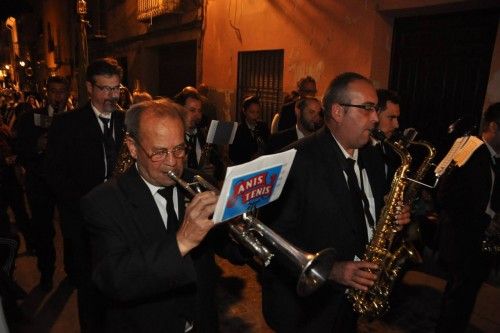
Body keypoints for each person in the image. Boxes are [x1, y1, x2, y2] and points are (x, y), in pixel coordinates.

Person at [261, 72, 410, 332]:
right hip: (308, 308)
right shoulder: (293, 161)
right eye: (367, 109)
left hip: (350, 303)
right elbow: (272, 240)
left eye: (375, 109)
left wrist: (393, 220)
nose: (375, 118)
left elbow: (368, 214)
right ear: (338, 112)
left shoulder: (373, 157)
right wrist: (332, 270)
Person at [82, 99, 231, 332]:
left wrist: (244, 212)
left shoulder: (200, 183)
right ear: (132, 147)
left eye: (179, 149)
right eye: (159, 152)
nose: (172, 162)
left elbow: (227, 246)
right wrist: (182, 241)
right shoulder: (102, 202)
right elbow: (114, 280)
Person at [46, 58, 125, 332]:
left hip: (122, 222)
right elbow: (55, 176)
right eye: (104, 89)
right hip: (83, 223)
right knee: (90, 293)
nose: (111, 97)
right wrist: (88, 205)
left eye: (115, 89)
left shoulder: (128, 122)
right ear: (89, 88)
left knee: (120, 287)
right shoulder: (66, 124)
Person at [435, 102, 500, 332]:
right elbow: (446, 196)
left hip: (480, 242)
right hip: (462, 239)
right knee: (456, 298)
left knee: (466, 297)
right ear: (493, 126)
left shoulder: (496, 159)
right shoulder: (469, 148)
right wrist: (487, 223)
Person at [16, 75, 70, 291]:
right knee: (43, 231)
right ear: (46, 93)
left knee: (71, 230)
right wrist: (37, 146)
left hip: (67, 185)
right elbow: (20, 152)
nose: (57, 96)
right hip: (40, 185)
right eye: (53, 91)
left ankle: (73, 272)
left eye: (62, 91)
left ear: (68, 93)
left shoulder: (74, 119)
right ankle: (46, 273)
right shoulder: (30, 118)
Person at [174, 88, 224, 180]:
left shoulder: (205, 135)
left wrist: (213, 170)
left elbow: (220, 168)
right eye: (192, 110)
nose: (198, 116)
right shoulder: (173, 138)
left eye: (199, 111)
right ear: (179, 111)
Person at [229, 96, 270, 165]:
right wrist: (250, 159)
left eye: (258, 112)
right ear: (244, 111)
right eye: (252, 112)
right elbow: (232, 155)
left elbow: (269, 146)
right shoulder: (237, 130)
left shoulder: (263, 126)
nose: (255, 116)